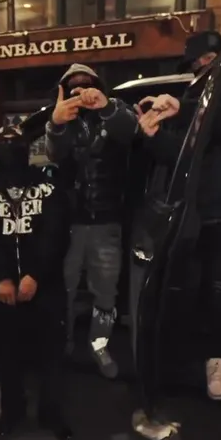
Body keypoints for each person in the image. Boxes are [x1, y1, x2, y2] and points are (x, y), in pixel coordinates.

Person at [137, 30, 221, 400]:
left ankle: (217, 360)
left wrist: (186, 108)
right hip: (188, 210)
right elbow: (179, 153)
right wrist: (152, 135)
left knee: (220, 289)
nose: (203, 68)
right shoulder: (191, 97)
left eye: (209, 60)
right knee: (184, 289)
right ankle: (181, 361)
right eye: (196, 64)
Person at [0, 126, 73, 440]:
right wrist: (2, 276)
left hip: (45, 287)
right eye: (3, 143)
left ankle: (51, 413)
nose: (10, 148)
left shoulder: (47, 185)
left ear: (27, 148)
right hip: (2, 290)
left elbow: (56, 233)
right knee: (7, 355)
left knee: (51, 355)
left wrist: (35, 275)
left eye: (15, 143)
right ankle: (11, 412)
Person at [46, 63, 139, 379]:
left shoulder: (114, 110)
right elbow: (54, 155)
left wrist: (106, 106)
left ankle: (100, 344)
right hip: (69, 223)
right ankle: (64, 341)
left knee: (106, 293)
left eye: (86, 84)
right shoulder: (62, 117)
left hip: (107, 221)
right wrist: (56, 124)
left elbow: (131, 133)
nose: (80, 90)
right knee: (64, 288)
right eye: (72, 85)